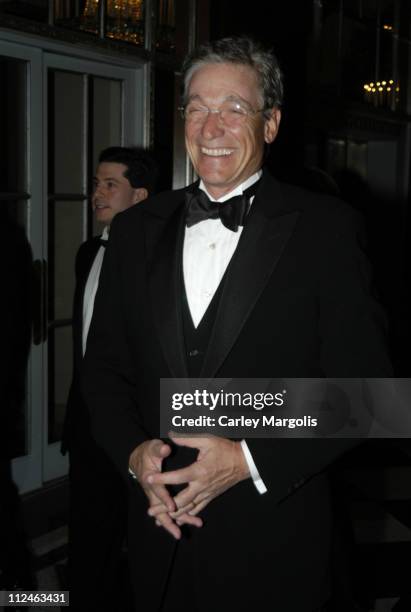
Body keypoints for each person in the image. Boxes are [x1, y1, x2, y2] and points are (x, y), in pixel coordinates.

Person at [82, 38, 392, 612]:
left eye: (234, 108)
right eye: (197, 108)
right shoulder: (135, 230)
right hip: (159, 537)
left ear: (271, 123)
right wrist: (132, 454)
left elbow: (369, 394)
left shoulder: (327, 229)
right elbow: (102, 372)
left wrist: (248, 458)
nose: (211, 127)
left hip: (274, 543)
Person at [61, 146, 158, 611]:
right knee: (88, 533)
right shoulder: (86, 254)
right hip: (87, 423)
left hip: (141, 428)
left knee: (147, 539)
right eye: (96, 184)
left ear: (139, 196)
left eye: (109, 185)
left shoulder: (158, 264)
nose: (96, 193)